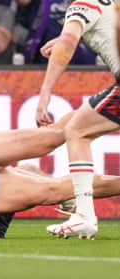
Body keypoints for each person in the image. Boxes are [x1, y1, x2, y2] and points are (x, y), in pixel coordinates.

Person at [35, 0, 119, 239]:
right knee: (78, 129)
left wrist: (45, 93)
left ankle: (83, 216)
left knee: (76, 131)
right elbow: (103, 27)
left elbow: (69, 41)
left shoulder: (82, 4)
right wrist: (69, 36)